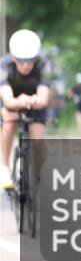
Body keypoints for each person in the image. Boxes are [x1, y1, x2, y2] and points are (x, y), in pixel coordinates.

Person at [0, 30, 50, 190]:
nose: (26, 64)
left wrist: (38, 100)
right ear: (14, 58)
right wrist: (19, 101)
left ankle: (42, 175)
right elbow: (7, 100)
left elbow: (44, 97)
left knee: (37, 137)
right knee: (8, 123)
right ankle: (4, 168)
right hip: (13, 100)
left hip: (35, 101)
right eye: (21, 60)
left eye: (30, 60)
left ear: (36, 57)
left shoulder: (43, 64)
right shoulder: (4, 66)